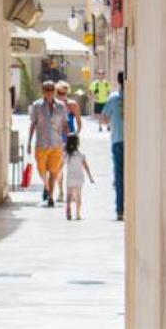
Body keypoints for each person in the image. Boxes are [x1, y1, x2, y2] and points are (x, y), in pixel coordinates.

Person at [26, 80, 69, 208]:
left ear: (54, 91)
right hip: (41, 144)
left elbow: (65, 124)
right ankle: (46, 186)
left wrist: (69, 141)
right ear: (43, 91)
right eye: (47, 89)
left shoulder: (61, 106)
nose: (49, 92)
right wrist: (28, 142)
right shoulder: (36, 105)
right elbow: (33, 124)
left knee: (53, 171)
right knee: (42, 170)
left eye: (51, 89)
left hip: (57, 144)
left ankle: (50, 197)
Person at [100, 71, 125, 220]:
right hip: (133, 143)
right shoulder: (136, 96)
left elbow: (105, 117)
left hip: (117, 140)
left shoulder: (114, 97)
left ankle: (120, 210)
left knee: (119, 176)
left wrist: (114, 124)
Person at [55, 80, 82, 203]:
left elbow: (79, 122)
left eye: (64, 93)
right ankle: (60, 192)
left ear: (67, 93)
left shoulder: (73, 105)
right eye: (59, 92)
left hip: (70, 141)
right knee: (58, 168)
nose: (61, 95)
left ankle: (74, 194)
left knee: (74, 168)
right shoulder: (54, 105)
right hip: (57, 141)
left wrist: (75, 134)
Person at [62, 133, 95, 220]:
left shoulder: (66, 155)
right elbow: (86, 167)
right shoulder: (81, 156)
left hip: (70, 178)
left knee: (69, 195)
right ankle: (78, 214)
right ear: (78, 143)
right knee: (78, 196)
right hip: (79, 178)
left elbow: (61, 165)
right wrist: (90, 177)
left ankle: (68, 208)